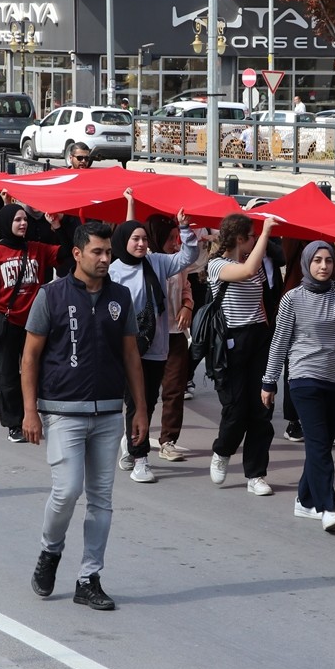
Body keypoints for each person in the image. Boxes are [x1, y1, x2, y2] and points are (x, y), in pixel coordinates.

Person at [22, 221, 148, 611]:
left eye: (108, 252)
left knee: (102, 500)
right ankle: (50, 550)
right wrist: (30, 411)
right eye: (97, 252)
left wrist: (140, 408)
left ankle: (88, 577)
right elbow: (29, 357)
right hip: (63, 411)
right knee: (67, 491)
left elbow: (130, 355)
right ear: (77, 253)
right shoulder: (52, 296)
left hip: (109, 413)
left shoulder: (120, 297)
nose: (105, 258)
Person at [263, 241, 335, 532]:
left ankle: (304, 500)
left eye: (328, 260)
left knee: (323, 444)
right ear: (307, 263)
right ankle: (328, 506)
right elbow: (279, 342)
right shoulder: (293, 298)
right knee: (317, 445)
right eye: (317, 260)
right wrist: (269, 381)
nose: (323, 266)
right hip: (304, 379)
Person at [109, 204, 199, 483]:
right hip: (128, 349)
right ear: (124, 241)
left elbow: (188, 256)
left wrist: (185, 228)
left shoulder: (157, 262)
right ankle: (140, 458)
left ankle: (130, 441)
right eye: (135, 239)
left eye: (144, 239)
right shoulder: (113, 271)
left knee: (147, 400)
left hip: (156, 346)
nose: (140, 244)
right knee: (137, 403)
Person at [0, 203, 71, 441]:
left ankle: (36, 415)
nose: (23, 224)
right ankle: (14, 424)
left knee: (37, 370)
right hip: (5, 321)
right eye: (17, 220)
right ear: (6, 223)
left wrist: (58, 227)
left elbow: (68, 253)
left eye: (24, 220)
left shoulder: (37, 249)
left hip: (35, 324)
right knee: (8, 375)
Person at [207, 212, 278, 495]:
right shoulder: (217, 265)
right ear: (240, 238)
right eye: (250, 236)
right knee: (236, 409)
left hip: (258, 335)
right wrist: (265, 233)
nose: (254, 241)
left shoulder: (255, 263)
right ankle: (222, 451)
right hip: (232, 341)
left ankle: (256, 474)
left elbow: (259, 295)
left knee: (262, 408)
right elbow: (246, 272)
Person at [147, 215, 195, 462]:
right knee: (146, 392)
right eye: (169, 239)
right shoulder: (143, 261)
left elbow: (186, 287)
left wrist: (187, 305)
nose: (175, 244)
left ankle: (168, 440)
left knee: (174, 390)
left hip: (176, 334)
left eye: (177, 239)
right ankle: (137, 437)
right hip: (150, 336)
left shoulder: (178, 262)